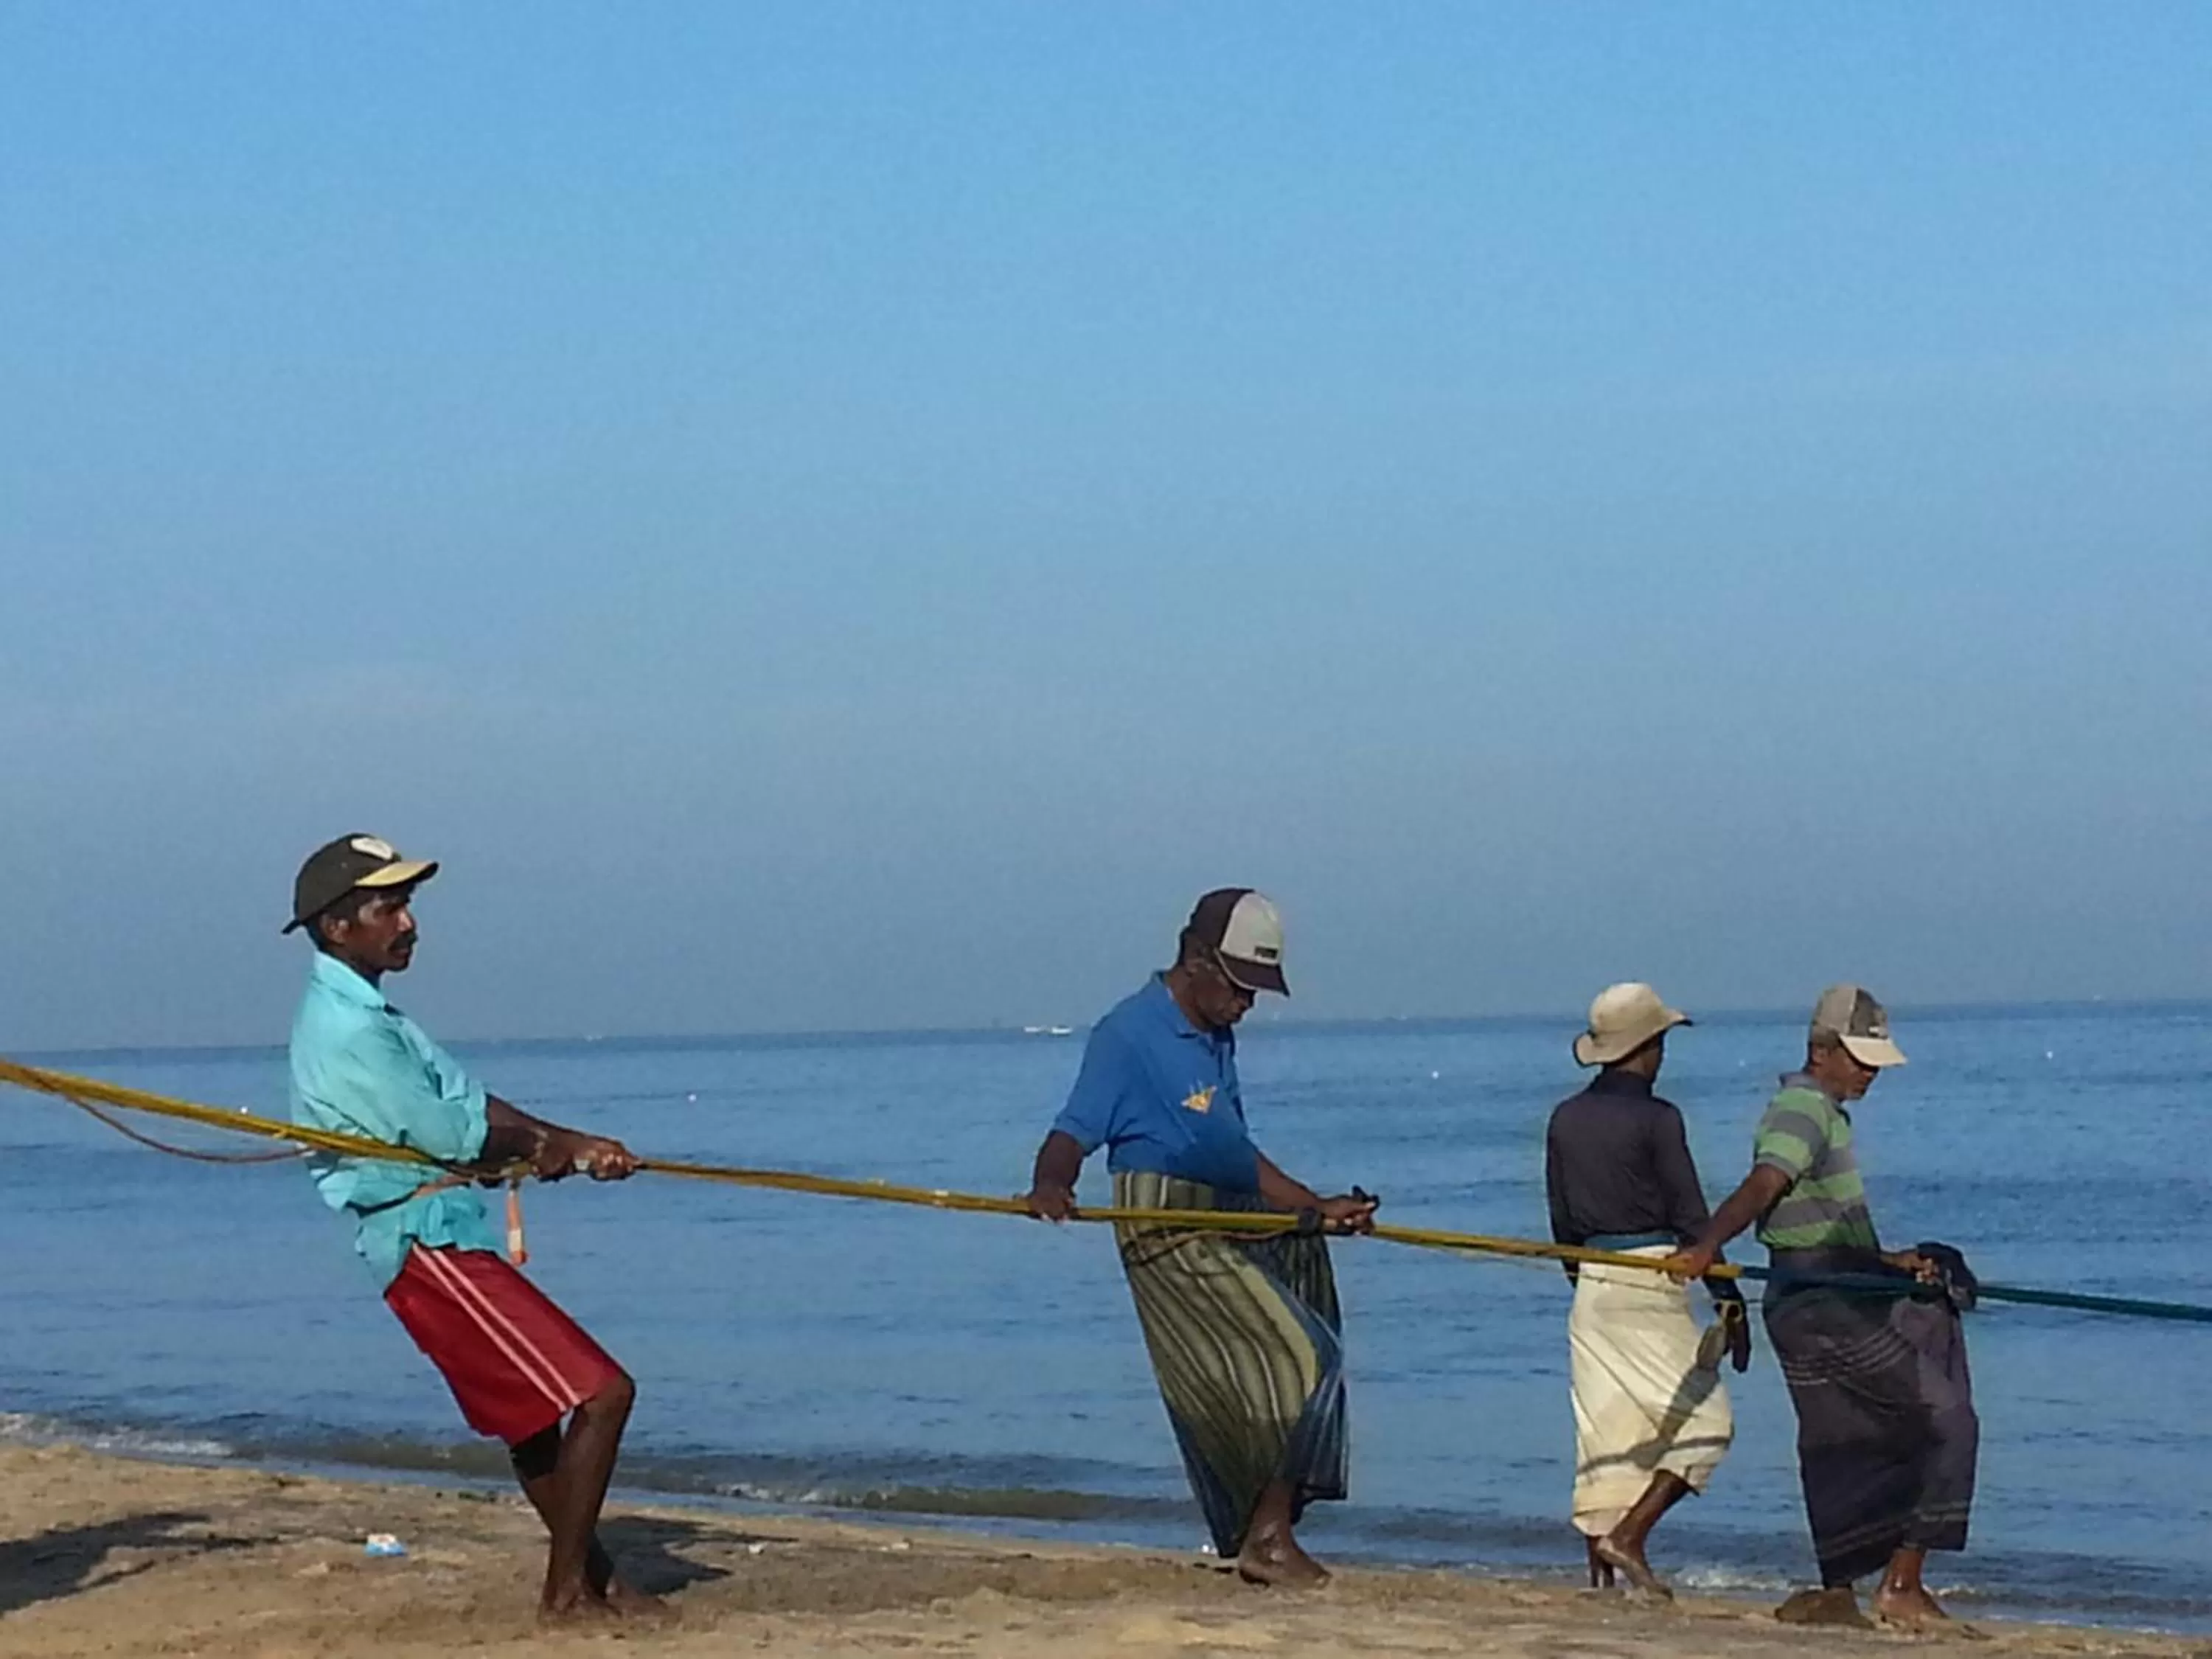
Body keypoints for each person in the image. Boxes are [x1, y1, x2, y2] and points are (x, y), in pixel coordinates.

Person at [283, 834, 661, 1625]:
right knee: (602, 1393)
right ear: (337, 927)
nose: (409, 923)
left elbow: (471, 1103)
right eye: (389, 908)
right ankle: (565, 1595)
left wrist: (576, 1144)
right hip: (424, 1245)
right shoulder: (346, 1030)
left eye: (407, 905)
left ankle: (599, 1584)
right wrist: (543, 1148)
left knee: (529, 1420)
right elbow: (456, 1136)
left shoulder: (380, 1017)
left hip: (446, 1229)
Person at [1023, 889, 1377, 1587]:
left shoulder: (1217, 1035)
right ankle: (1267, 1540)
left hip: (1230, 1209)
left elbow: (1231, 1147)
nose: (1248, 1005)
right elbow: (1073, 1130)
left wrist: (1318, 1210)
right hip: (1167, 1229)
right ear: (1197, 960)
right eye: (1242, 987)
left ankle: (1269, 1523)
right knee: (1302, 1354)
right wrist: (1050, 1185)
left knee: (1312, 1292)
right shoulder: (1129, 1033)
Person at [1672, 986, 1978, 1630]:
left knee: (1852, 1429)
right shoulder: (1801, 1109)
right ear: (1821, 1051)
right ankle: (1900, 1584)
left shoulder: (1825, 1112)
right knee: (1947, 1417)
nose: (1870, 1072)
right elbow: (1765, 1184)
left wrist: (1888, 1261)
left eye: (1874, 1061)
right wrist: (1707, 1244)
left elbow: (1811, 1223)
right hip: (1819, 1304)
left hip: (1831, 1288)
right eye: (1860, 1058)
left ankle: (1840, 1584)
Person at [1545, 982, 1745, 1599]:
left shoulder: (1565, 1117)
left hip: (1592, 1287)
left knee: (1607, 1435)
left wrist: (1586, 1281)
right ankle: (1629, 1538)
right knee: (1708, 1424)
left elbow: (1562, 1221)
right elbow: (1692, 1215)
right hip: (1650, 1279)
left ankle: (1601, 1577)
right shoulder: (1660, 1118)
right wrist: (1726, 1296)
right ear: (1647, 1048)